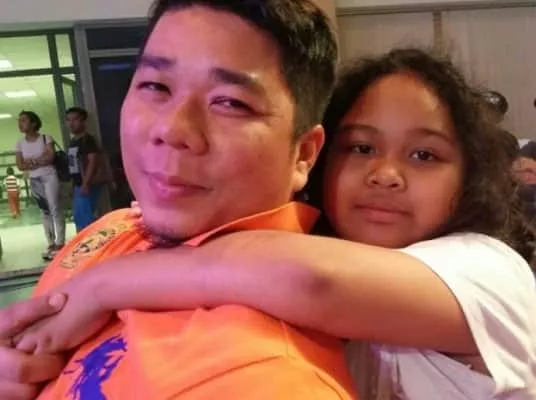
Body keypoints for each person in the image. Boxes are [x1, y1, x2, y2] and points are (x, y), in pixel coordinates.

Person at [17, 49, 536, 399]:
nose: (385, 174)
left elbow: (312, 280)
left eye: (424, 155)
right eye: (360, 148)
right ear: (316, 159)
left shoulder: (488, 270)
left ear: (469, 178)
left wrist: (103, 285)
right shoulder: (268, 264)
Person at [2, 1, 358, 399]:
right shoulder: (116, 225)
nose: (172, 129)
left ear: (304, 154)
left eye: (231, 102)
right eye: (156, 86)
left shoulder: (265, 377)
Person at [15, 111, 66, 261]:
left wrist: (31, 162)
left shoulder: (45, 138)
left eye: (24, 120)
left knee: (55, 208)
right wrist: (39, 160)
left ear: (33, 123)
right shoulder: (20, 143)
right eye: (19, 121)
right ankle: (50, 243)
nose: (20, 123)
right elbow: (20, 165)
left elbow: (50, 157)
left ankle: (60, 242)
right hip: (34, 179)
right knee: (44, 210)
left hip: (49, 176)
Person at [65, 107, 104, 231]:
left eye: (75, 119)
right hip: (78, 184)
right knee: (79, 216)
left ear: (83, 121)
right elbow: (73, 165)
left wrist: (86, 183)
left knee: (85, 217)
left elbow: (93, 161)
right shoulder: (73, 141)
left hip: (88, 184)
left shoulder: (88, 140)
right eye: (68, 120)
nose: (71, 123)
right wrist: (72, 183)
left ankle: (88, 240)